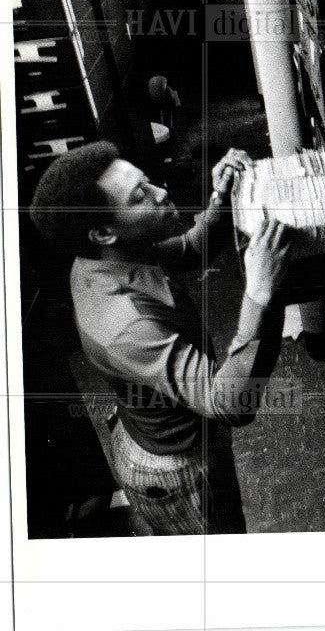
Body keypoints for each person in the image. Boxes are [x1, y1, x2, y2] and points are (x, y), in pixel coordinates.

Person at [29, 141, 293, 535]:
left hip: (166, 427)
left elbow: (189, 249)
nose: (162, 193)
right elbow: (231, 403)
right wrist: (258, 292)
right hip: (179, 471)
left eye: (147, 181)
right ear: (103, 233)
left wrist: (221, 198)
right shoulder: (123, 325)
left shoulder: (109, 255)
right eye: (141, 197)